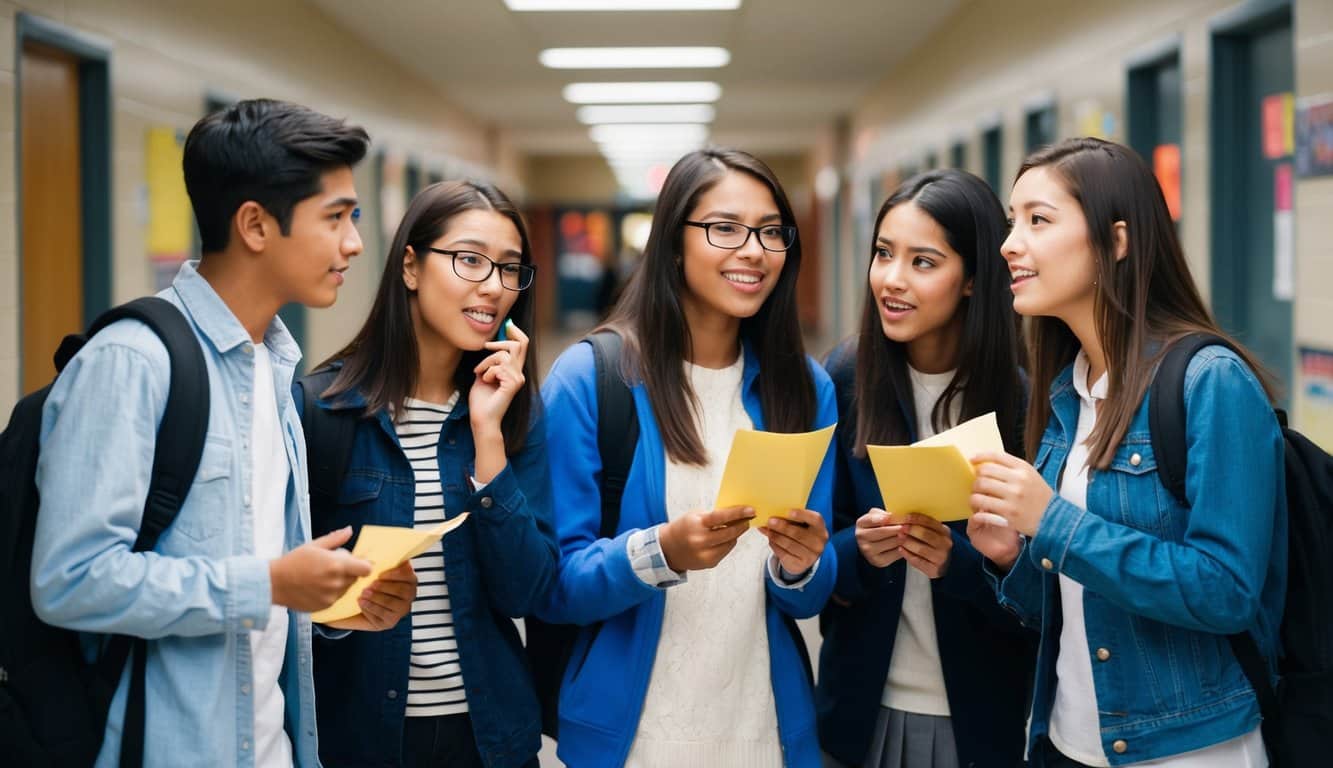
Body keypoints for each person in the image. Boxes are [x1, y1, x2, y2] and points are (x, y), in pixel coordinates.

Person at [31, 98, 416, 767]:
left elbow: (254, 591)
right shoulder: (133, 362)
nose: (355, 242)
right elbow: (70, 580)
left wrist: (332, 604)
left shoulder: (275, 368)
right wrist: (268, 582)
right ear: (255, 225)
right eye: (335, 218)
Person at [968, 137, 1285, 768]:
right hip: (1065, 740)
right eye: (1012, 221)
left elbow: (1226, 591)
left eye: (1039, 220)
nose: (1009, 244)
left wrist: (1052, 523)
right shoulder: (1070, 389)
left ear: (1117, 242)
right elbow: (1074, 603)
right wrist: (1013, 559)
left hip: (1188, 748)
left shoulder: (1210, 382)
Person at [538, 147, 838, 767]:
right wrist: (658, 554)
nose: (753, 250)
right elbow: (553, 584)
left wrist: (803, 566)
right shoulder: (591, 380)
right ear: (674, 243)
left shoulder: (806, 390)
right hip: (633, 740)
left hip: (765, 733)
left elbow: (808, 597)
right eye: (725, 228)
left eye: (771, 231)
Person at [297, 180, 556, 768]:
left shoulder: (516, 413)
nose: (492, 286)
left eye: (510, 268)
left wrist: (488, 437)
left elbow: (525, 591)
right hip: (362, 738)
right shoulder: (322, 410)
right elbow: (283, 598)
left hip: (490, 738)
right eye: (469, 260)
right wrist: (341, 614)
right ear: (410, 266)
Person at [818, 169, 1035, 768]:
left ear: (971, 280)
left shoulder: (1023, 404)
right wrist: (857, 550)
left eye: (923, 262)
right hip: (861, 713)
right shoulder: (844, 379)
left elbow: (1046, 593)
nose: (891, 280)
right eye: (884, 253)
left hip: (982, 720)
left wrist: (960, 564)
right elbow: (811, 557)